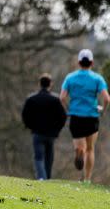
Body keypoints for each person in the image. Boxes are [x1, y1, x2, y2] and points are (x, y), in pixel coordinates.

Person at [60, 49, 110, 182]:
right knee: (90, 149)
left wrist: (68, 109)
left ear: (78, 62)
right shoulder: (97, 79)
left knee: (79, 145)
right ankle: (87, 179)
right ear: (92, 62)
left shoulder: (70, 78)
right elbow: (106, 99)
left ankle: (78, 151)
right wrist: (103, 110)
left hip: (76, 116)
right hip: (92, 117)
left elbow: (62, 97)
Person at [21, 73, 67, 180]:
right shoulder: (55, 100)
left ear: (39, 84)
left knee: (38, 157)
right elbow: (63, 117)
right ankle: (47, 178)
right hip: (51, 134)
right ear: (50, 84)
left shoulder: (31, 99)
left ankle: (42, 177)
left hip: (37, 133)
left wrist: (30, 127)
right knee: (49, 157)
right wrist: (57, 130)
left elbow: (25, 116)